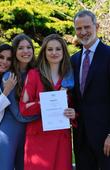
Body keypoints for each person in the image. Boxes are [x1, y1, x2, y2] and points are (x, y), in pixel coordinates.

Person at [71, 10, 110, 170]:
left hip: (108, 137)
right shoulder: (74, 60)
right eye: (79, 29)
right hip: (82, 138)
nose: (83, 32)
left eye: (87, 27)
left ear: (97, 26)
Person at [19, 34, 76, 170]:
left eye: (58, 49)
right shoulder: (34, 75)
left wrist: (73, 113)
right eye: (50, 49)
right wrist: (45, 103)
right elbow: (23, 107)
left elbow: (76, 107)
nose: (54, 53)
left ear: (64, 52)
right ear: (44, 52)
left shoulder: (70, 76)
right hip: (38, 137)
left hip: (61, 138)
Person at [0, 33, 39, 170]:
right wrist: (43, 114)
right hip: (8, 133)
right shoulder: (9, 76)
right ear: (15, 52)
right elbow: (19, 115)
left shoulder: (36, 73)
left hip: (28, 133)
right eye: (21, 48)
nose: (25, 51)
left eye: (29, 47)